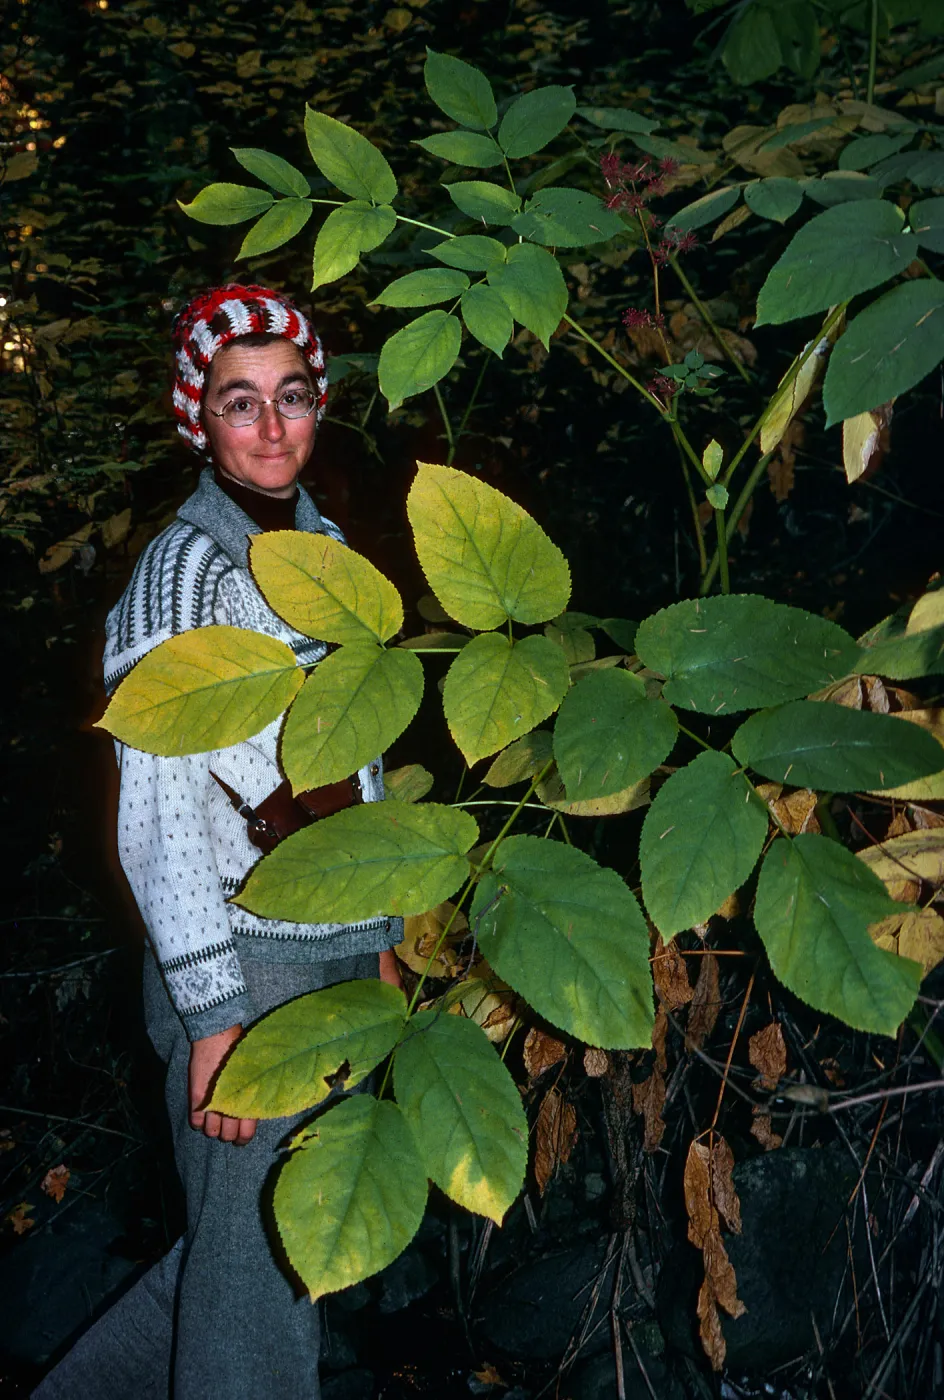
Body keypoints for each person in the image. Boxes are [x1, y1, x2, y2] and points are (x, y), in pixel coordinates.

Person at [34, 283, 403, 1399]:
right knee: (258, 1296)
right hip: (245, 964)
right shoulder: (180, 574)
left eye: (290, 396)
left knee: (265, 1253)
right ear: (200, 418)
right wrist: (212, 1015)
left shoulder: (322, 547)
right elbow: (155, 813)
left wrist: (379, 928)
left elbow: (357, 753)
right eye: (239, 403)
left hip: (336, 951)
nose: (272, 425)